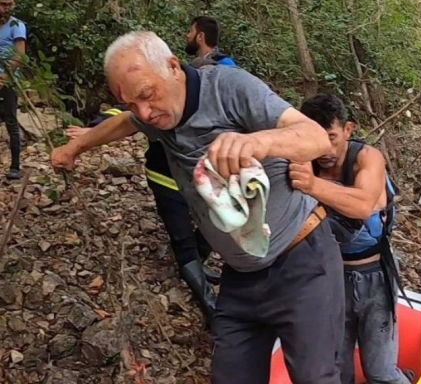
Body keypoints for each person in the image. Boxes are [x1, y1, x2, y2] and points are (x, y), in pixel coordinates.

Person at [50, 31, 344, 384]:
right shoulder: (153, 113)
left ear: (173, 66)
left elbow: (313, 137)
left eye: (147, 95)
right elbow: (125, 124)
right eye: (131, 102)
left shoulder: (229, 87)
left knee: (315, 377)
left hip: (302, 262)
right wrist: (76, 147)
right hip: (239, 274)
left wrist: (257, 141)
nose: (145, 111)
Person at [289, 94, 411, 384]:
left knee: (380, 372)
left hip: (376, 275)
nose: (324, 148)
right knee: (336, 371)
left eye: (330, 137)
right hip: (329, 276)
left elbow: (362, 204)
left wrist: (312, 185)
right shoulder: (303, 161)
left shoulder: (367, 158)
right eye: (315, 138)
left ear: (347, 129)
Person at [66, 104, 220, 329]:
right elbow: (121, 114)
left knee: (215, 227)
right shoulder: (158, 100)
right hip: (165, 177)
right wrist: (93, 130)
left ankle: (198, 264)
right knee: (182, 239)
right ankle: (209, 306)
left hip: (204, 180)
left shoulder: (219, 98)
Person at [0, 0, 25, 180]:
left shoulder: (16, 25)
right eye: (2, 4)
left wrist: (4, 77)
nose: (5, 8)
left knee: (11, 121)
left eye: (9, 4)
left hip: (7, 80)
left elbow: (19, 56)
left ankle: (15, 165)